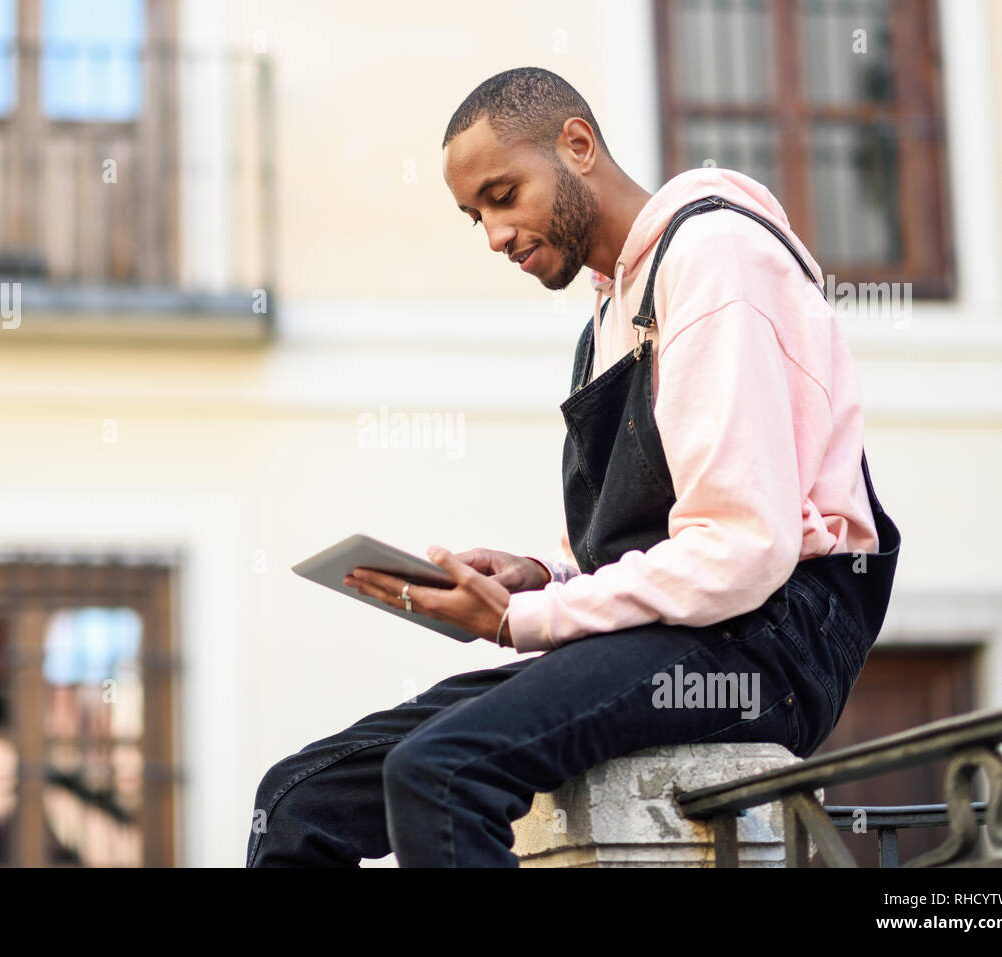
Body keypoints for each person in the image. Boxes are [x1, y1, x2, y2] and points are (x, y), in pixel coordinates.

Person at [246, 66, 900, 867]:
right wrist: (538, 578)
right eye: (473, 215)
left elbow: (741, 547)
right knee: (296, 800)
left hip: (768, 642)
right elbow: (634, 544)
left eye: (502, 193)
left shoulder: (714, 256)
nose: (493, 234)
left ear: (578, 145)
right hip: (672, 630)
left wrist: (517, 622)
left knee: (441, 772)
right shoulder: (606, 315)